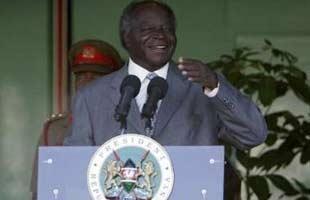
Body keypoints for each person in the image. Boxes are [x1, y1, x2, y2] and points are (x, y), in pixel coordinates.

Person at [64, 1, 267, 198]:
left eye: (167, 29)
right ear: (126, 37)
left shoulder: (201, 86)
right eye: (147, 29)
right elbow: (73, 170)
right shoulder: (92, 96)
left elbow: (253, 135)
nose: (160, 36)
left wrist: (215, 87)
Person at [30, 39, 123, 199]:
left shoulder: (130, 127)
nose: (86, 82)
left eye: (95, 77)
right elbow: (41, 192)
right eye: (80, 76)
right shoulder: (54, 131)